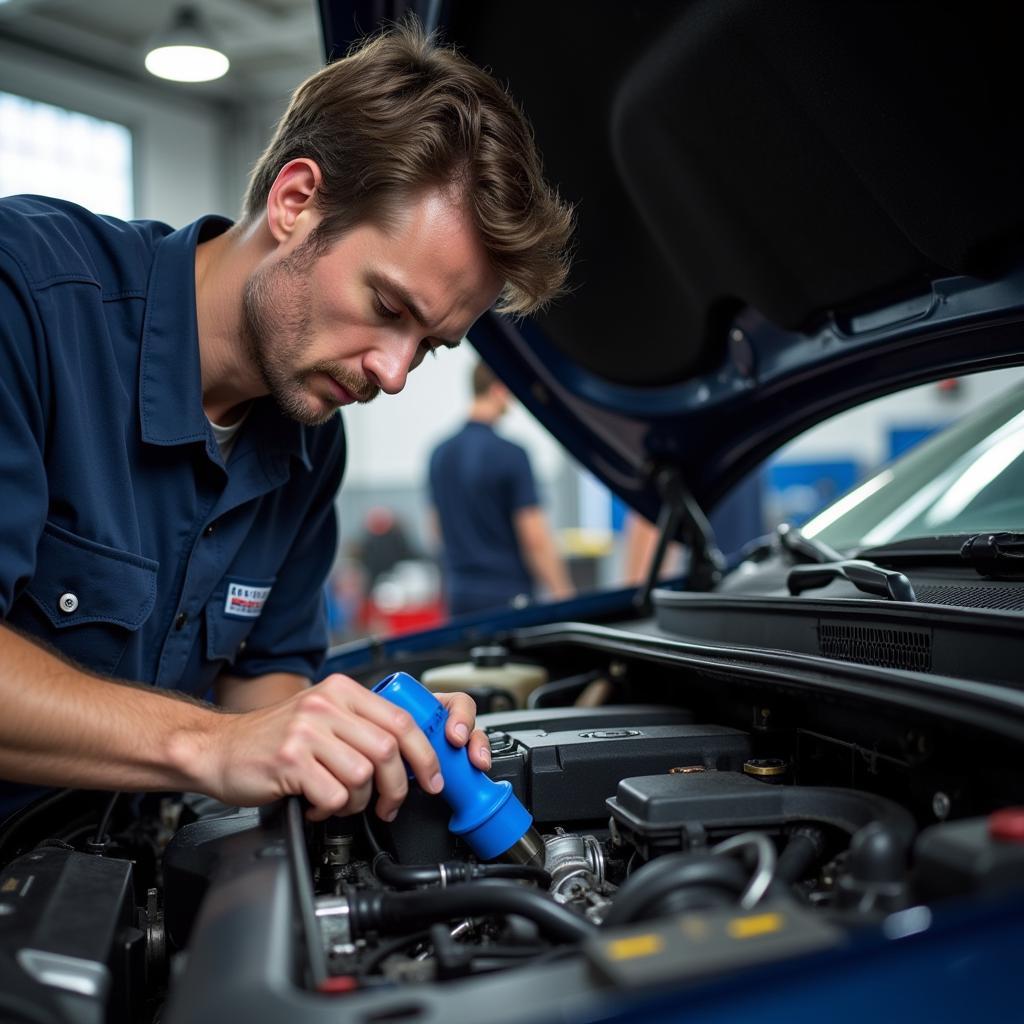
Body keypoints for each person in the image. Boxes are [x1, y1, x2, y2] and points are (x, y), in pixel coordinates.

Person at [0, 20, 574, 823]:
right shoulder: (25, 300)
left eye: (431, 347)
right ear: (296, 202)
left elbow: (261, 687)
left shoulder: (307, 448)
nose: (394, 372)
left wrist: (355, 737)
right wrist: (207, 746)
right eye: (388, 307)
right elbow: (222, 739)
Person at [428, 362, 575, 614]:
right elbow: (534, 538)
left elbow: (435, 530)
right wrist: (564, 593)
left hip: (458, 594)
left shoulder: (440, 453)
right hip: (506, 596)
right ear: (499, 390)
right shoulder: (512, 455)